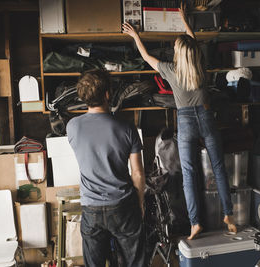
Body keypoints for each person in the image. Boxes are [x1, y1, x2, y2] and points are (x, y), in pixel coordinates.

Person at [122, 4, 237, 240]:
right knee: (219, 168)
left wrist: (136, 35)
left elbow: (145, 57)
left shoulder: (171, 70)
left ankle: (195, 223)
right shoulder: (199, 65)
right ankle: (229, 215)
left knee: (189, 173)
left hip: (185, 120)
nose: (174, 47)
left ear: (179, 54)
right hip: (206, 116)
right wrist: (185, 21)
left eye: (175, 46)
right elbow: (192, 41)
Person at [66, 69, 146, 267]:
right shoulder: (127, 129)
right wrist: (141, 203)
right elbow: (137, 173)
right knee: (135, 262)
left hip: (91, 208)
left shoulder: (73, 127)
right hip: (123, 206)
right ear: (108, 95)